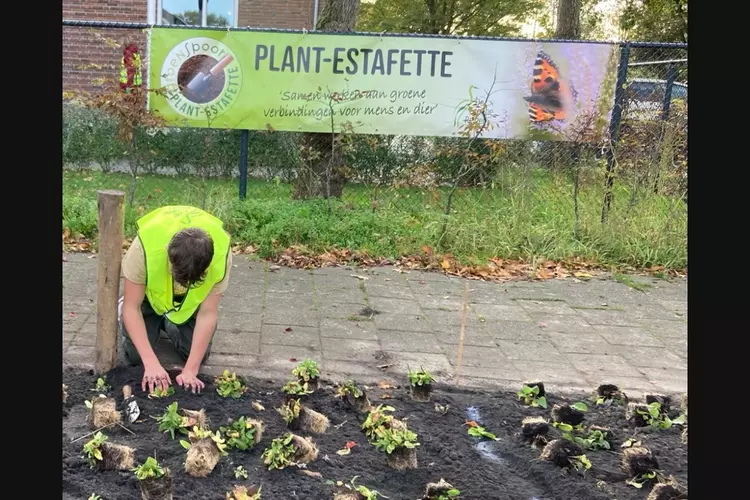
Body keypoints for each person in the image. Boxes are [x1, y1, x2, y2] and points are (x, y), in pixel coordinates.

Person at [118, 205, 232, 394]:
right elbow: (132, 307)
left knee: (196, 356)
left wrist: (191, 370)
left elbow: (208, 313)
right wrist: (151, 363)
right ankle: (149, 317)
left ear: (205, 269)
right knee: (136, 357)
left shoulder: (221, 255)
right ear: (169, 258)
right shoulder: (144, 248)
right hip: (149, 297)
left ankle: (169, 321)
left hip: (188, 304)